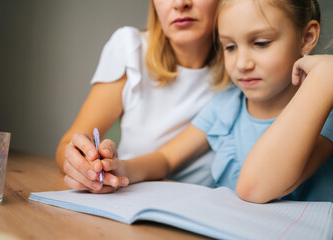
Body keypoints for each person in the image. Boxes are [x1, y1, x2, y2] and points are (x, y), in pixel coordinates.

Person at [86, 0, 333, 203]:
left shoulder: (325, 110)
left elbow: (255, 188)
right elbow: (166, 159)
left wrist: (323, 79)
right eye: (230, 47)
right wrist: (120, 168)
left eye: (261, 43)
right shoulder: (226, 104)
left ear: (307, 37)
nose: (242, 64)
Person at [57, 0, 225, 191]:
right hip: (125, 193)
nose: (180, 3)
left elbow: (166, 160)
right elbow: (67, 146)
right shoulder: (131, 49)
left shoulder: (243, 75)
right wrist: (84, 166)